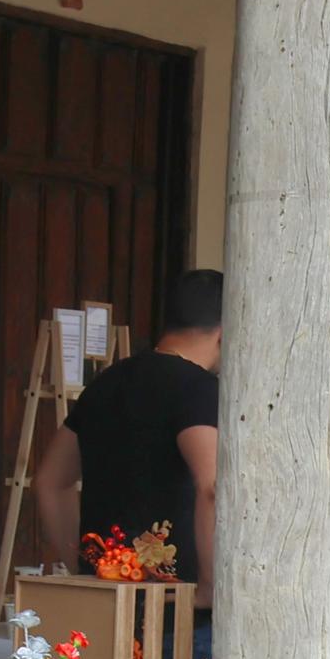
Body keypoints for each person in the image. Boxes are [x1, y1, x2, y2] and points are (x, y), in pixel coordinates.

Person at [40, 270, 221, 633]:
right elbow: (212, 485)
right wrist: (210, 587)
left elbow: (48, 482)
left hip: (109, 600)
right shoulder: (199, 388)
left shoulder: (106, 382)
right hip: (175, 611)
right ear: (225, 330)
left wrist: (83, 567)